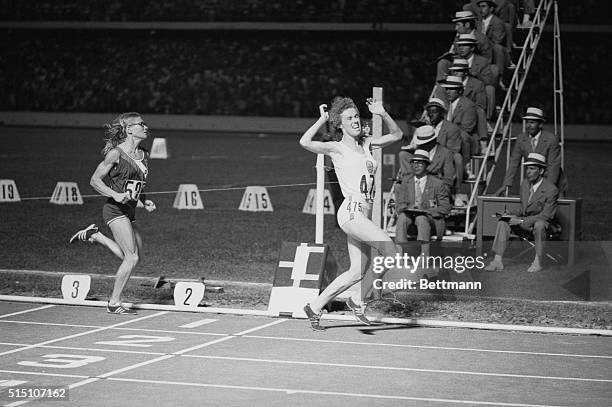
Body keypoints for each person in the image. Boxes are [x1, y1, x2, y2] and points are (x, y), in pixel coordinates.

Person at [299, 96, 403, 331]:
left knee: (357, 272)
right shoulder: (336, 148)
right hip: (351, 211)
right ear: (340, 124)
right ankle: (357, 301)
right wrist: (321, 120)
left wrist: (382, 113)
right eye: (349, 118)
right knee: (390, 250)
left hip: (361, 215)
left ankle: (314, 307)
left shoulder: (366, 143)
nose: (355, 120)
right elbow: (305, 142)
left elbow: (397, 136)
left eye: (357, 116)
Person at [69, 112, 156, 315]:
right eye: (140, 124)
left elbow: (137, 185)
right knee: (131, 258)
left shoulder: (144, 154)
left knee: (134, 256)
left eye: (144, 124)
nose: (145, 127)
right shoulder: (115, 154)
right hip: (114, 209)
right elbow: (94, 181)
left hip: (129, 210)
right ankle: (114, 302)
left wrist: (145, 201)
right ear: (129, 129)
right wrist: (115, 195)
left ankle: (95, 235)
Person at [485, 153, 558, 273]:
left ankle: (538, 261)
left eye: (532, 168)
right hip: (525, 224)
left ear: (541, 171)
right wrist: (510, 213)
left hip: (542, 225)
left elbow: (547, 216)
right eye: (527, 168)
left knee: (539, 224)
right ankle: (497, 261)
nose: (528, 172)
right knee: (504, 221)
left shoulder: (551, 189)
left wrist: (521, 221)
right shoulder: (525, 184)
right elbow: (524, 208)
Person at [494, 107, 567, 197]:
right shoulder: (521, 139)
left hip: (554, 183)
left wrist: (546, 189)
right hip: (533, 180)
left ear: (540, 124)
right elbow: (514, 163)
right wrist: (505, 185)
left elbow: (553, 167)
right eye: (527, 122)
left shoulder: (551, 139)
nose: (528, 125)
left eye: (532, 122)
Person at [394, 150, 451, 256]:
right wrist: (407, 208)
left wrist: (425, 211)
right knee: (402, 217)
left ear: (426, 165)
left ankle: (424, 255)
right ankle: (399, 254)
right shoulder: (406, 181)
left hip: (431, 222)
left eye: (420, 163)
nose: (416, 165)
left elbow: (445, 208)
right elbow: (399, 204)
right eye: (414, 163)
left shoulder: (437, 183)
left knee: (421, 218)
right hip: (411, 221)